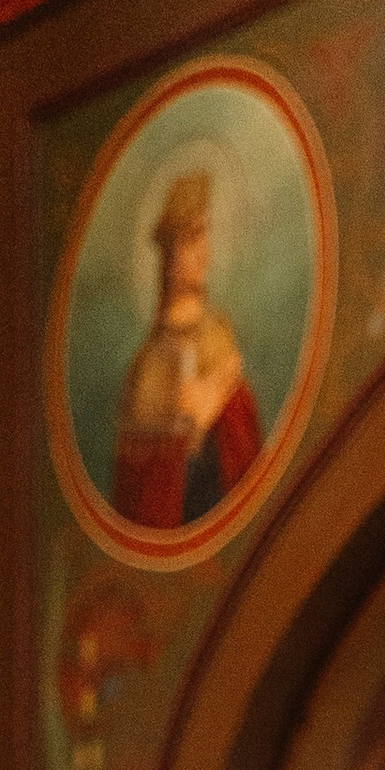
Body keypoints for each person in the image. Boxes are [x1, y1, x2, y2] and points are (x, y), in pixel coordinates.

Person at [110, 169, 263, 531]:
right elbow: (141, 498)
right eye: (194, 237)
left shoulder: (219, 335)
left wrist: (215, 409)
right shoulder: (148, 365)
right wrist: (186, 435)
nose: (205, 251)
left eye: (204, 235)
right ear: (170, 252)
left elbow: (246, 460)